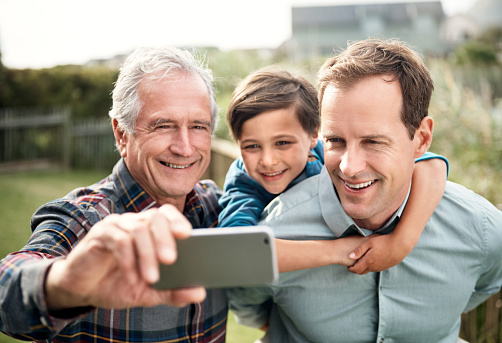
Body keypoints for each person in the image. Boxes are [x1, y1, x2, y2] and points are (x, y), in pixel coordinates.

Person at [227, 38, 502, 342]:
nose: (349, 166)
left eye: (373, 141)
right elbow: (247, 300)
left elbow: (487, 284)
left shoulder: (483, 229)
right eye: (336, 141)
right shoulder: (275, 229)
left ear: (421, 139)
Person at [0, 47, 228, 342]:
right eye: (163, 126)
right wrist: (66, 282)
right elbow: (6, 289)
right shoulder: (84, 219)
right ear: (122, 134)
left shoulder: (218, 208)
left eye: (198, 126)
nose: (184, 147)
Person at [219, 66, 449, 273]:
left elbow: (432, 164)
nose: (268, 160)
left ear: (313, 136)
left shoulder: (328, 150)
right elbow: (235, 250)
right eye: (252, 146)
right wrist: (338, 251)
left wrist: (401, 242)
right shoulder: (243, 183)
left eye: (282, 143)